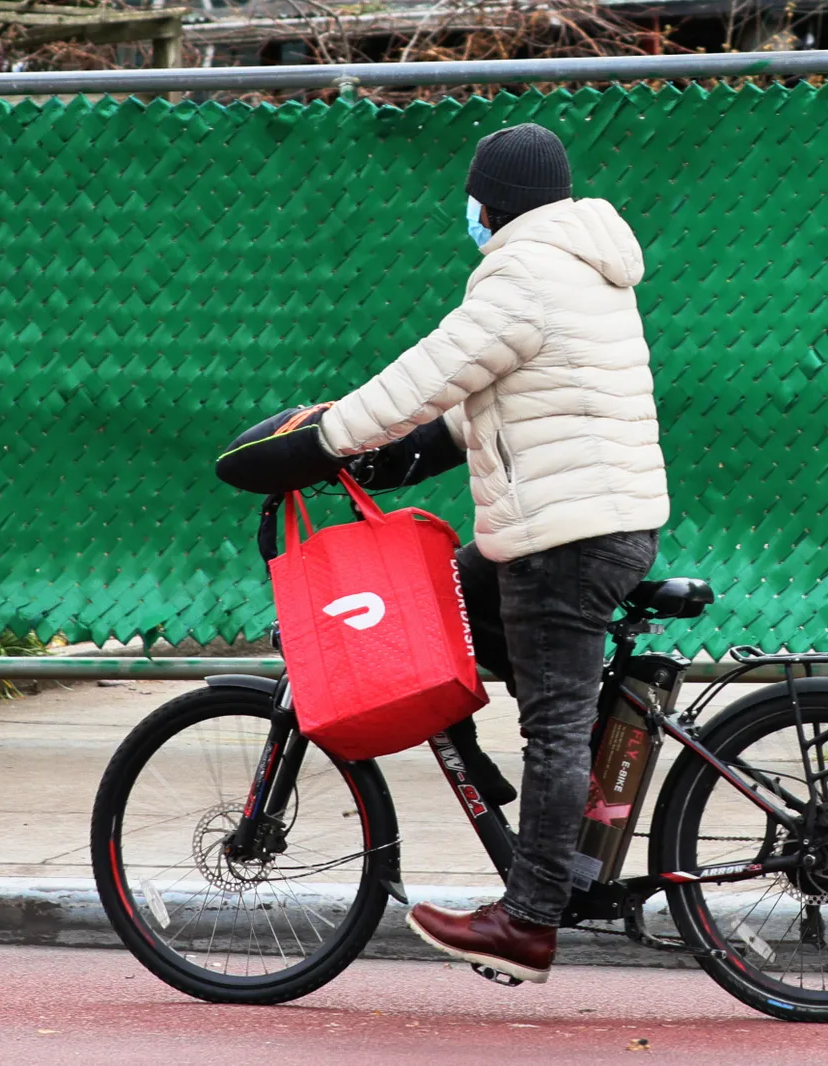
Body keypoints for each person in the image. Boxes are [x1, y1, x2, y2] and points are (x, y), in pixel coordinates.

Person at [216, 122, 668, 984]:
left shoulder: (524, 272)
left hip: (564, 541)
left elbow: (430, 372)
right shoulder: (581, 263)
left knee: (556, 724)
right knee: (433, 618)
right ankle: (512, 812)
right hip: (586, 524)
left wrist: (325, 439)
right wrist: (403, 454)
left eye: (475, 200)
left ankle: (529, 920)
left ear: (490, 202)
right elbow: (496, 395)